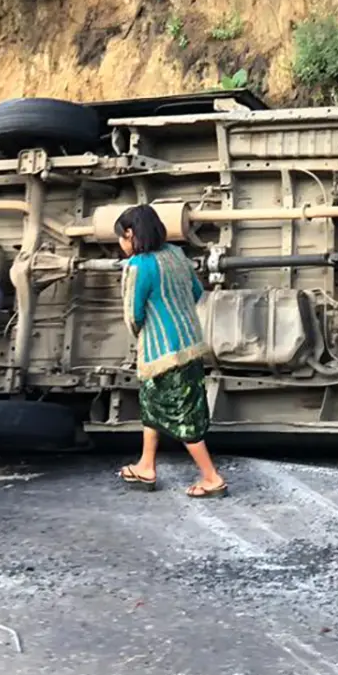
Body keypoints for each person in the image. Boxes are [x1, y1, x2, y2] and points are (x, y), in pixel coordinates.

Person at [114, 204, 226, 498]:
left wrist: (142, 333)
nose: (121, 246)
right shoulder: (177, 254)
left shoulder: (139, 265)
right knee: (152, 407)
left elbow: (133, 314)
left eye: (121, 239)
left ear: (129, 234)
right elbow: (197, 292)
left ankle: (211, 478)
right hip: (190, 343)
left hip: (162, 352)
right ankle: (146, 465)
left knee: (182, 415)